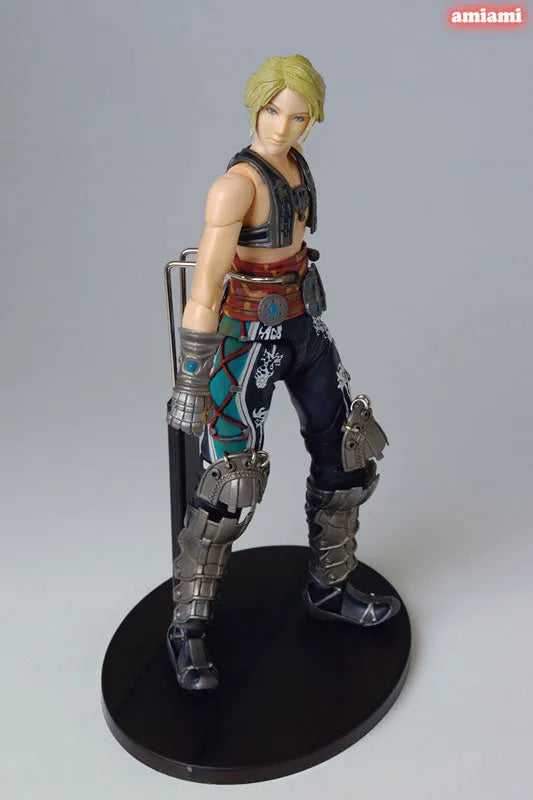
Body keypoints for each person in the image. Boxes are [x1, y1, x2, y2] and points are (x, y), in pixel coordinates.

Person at [166, 55, 400, 691]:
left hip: (303, 325)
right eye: (272, 111)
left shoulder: (296, 165)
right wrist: (191, 379)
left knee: (348, 452)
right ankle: (187, 625)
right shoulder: (235, 186)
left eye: (298, 117)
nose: (282, 126)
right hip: (245, 338)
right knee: (230, 483)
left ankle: (330, 587)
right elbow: (206, 285)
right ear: (255, 106)